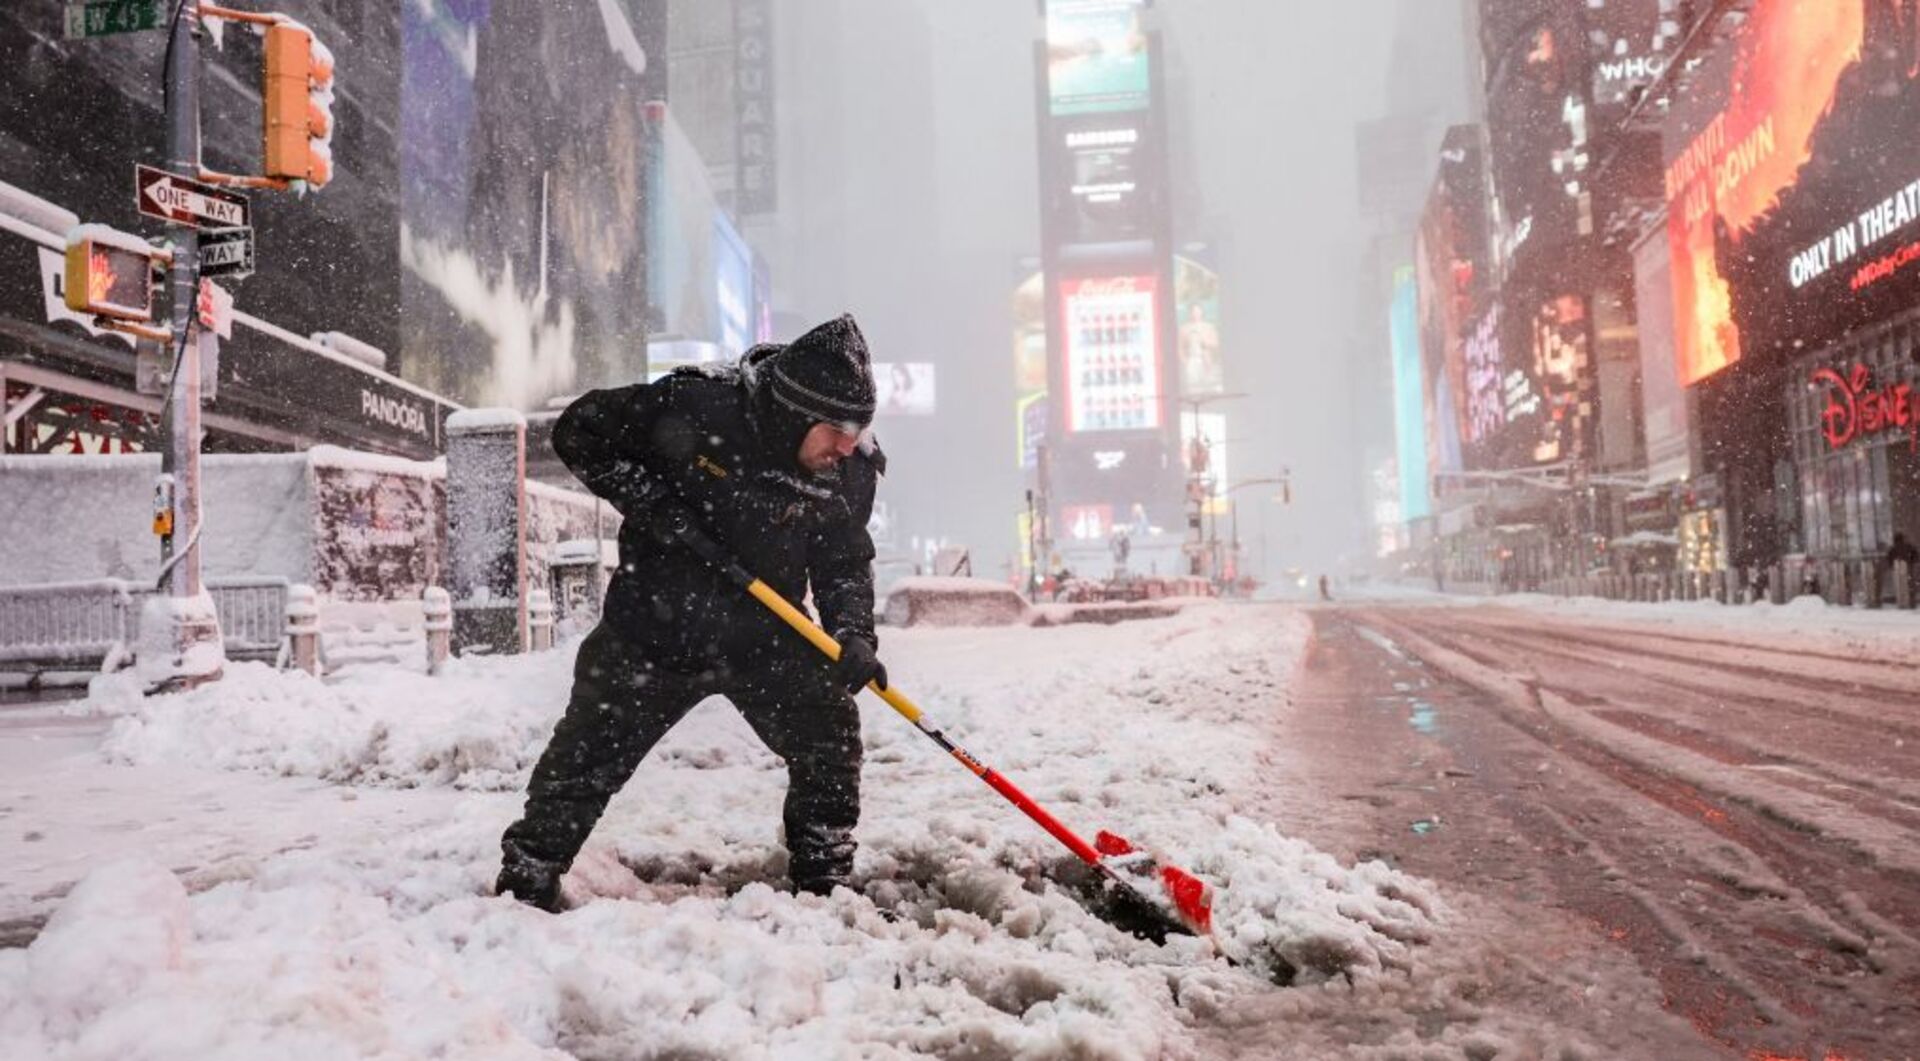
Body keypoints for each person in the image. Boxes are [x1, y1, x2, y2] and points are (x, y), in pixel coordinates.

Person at [496, 314, 888, 911]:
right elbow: (579, 431)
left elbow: (843, 561)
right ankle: (529, 872)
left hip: (768, 634)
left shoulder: (848, 470)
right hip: (655, 630)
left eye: (860, 427)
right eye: (836, 427)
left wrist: (853, 631)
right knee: (587, 755)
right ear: (793, 412)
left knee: (829, 733)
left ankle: (824, 878)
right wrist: (649, 501)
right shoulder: (698, 406)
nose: (848, 443)